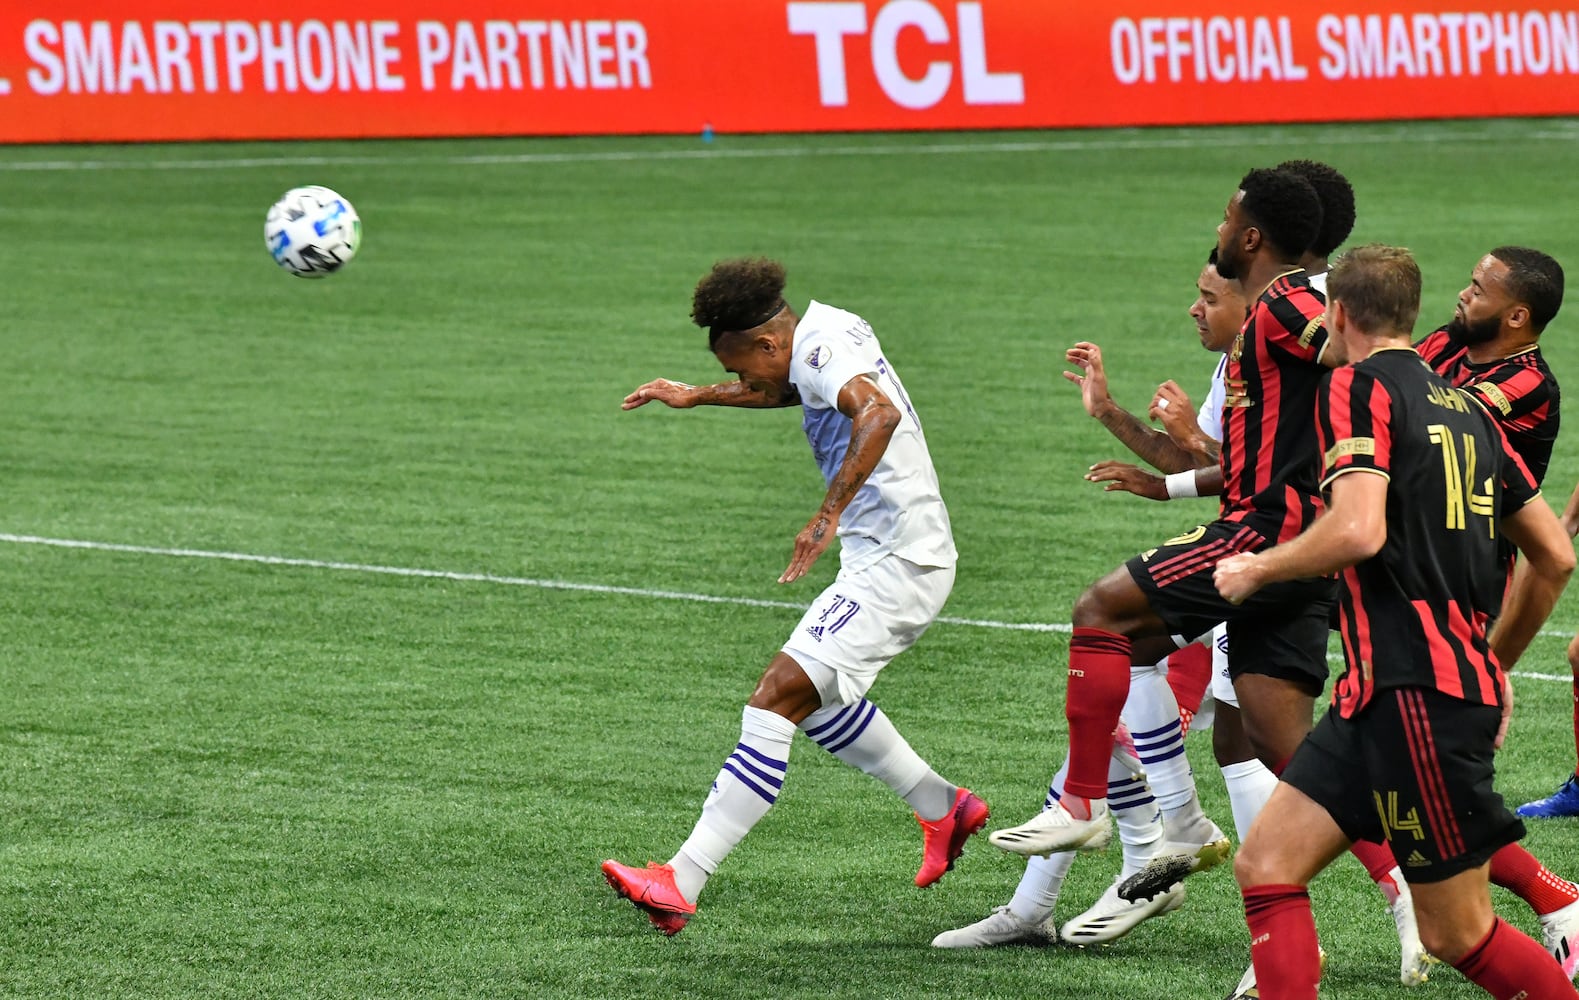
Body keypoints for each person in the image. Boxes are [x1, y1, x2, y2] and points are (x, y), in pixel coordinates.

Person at [1217, 243, 1578, 1000]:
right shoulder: (1471, 412)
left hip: (1413, 691)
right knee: (1266, 866)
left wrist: (1259, 566)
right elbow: (1552, 554)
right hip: (1381, 693)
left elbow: (1355, 530)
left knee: (1455, 933)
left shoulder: (1355, 384)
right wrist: (1492, 663)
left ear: (1336, 314)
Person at [602, 257, 985, 935]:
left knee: (775, 695)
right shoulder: (820, 332)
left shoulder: (813, 347)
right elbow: (794, 392)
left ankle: (679, 880)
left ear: (771, 344)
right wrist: (698, 395)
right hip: (887, 556)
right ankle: (941, 807)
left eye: (738, 366)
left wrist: (826, 512)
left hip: (900, 561)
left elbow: (878, 410)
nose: (739, 378)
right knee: (813, 703)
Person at [989, 167, 1335, 876]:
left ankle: (1095, 812)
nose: (1214, 231)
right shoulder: (1275, 317)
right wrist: (1151, 461)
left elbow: (1351, 360)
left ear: (1249, 237)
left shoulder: (1285, 306)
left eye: (1222, 218)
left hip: (1268, 533)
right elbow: (1253, 449)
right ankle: (1417, 894)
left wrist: (1400, 391)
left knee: (1100, 612)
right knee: (1275, 742)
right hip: (1297, 544)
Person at [931, 253, 1246, 950]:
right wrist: (1112, 415)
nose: (1193, 307)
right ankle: (1047, 901)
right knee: (1107, 738)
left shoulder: (1276, 360)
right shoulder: (1237, 365)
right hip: (1219, 579)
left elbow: (1251, 479)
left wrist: (1189, 444)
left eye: (1206, 295)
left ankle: (1275, 928)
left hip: (1251, 583)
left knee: (1264, 763)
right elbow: (1216, 469)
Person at [1412, 246, 1579, 974]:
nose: (1460, 293)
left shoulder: (1524, 383)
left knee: (1412, 769)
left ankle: (1550, 901)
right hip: (1398, 563)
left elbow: (1420, 417)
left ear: (1516, 316)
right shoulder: (1455, 338)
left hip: (1459, 580)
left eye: (1477, 289)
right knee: (1406, 768)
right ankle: (1551, 899)